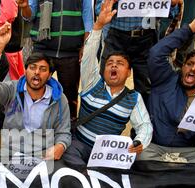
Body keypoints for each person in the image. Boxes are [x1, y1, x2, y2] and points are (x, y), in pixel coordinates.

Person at [64, 0, 152, 167]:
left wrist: (140, 141)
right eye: (110, 62)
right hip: (79, 147)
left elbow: (144, 125)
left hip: (106, 154)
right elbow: (89, 57)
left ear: (129, 73)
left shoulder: (134, 98)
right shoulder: (92, 83)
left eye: (120, 64)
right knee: (71, 164)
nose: (113, 65)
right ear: (104, 69)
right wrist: (97, 26)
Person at [0, 22, 71, 161]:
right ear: (25, 70)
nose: (37, 72)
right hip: (10, 153)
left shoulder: (59, 99)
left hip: (42, 156)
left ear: (50, 74)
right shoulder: (12, 90)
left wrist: (60, 146)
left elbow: (64, 132)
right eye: (32, 67)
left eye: (43, 69)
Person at [137, 16, 195, 166]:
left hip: (188, 153)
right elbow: (156, 53)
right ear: (183, 67)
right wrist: (188, 30)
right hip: (154, 148)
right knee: (138, 157)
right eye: (189, 64)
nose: (193, 69)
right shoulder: (166, 79)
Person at [96, 0, 181, 105]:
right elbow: (98, 9)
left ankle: (145, 119)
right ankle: (103, 117)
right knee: (108, 83)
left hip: (147, 39)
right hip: (116, 39)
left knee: (147, 89)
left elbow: (171, 13)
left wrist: (172, 4)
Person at [19, 0, 93, 120]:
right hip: (42, 50)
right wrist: (25, 7)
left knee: (70, 97)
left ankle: (69, 127)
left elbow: (87, 17)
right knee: (35, 90)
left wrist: (85, 45)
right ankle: (32, 123)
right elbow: (29, 15)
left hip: (71, 52)